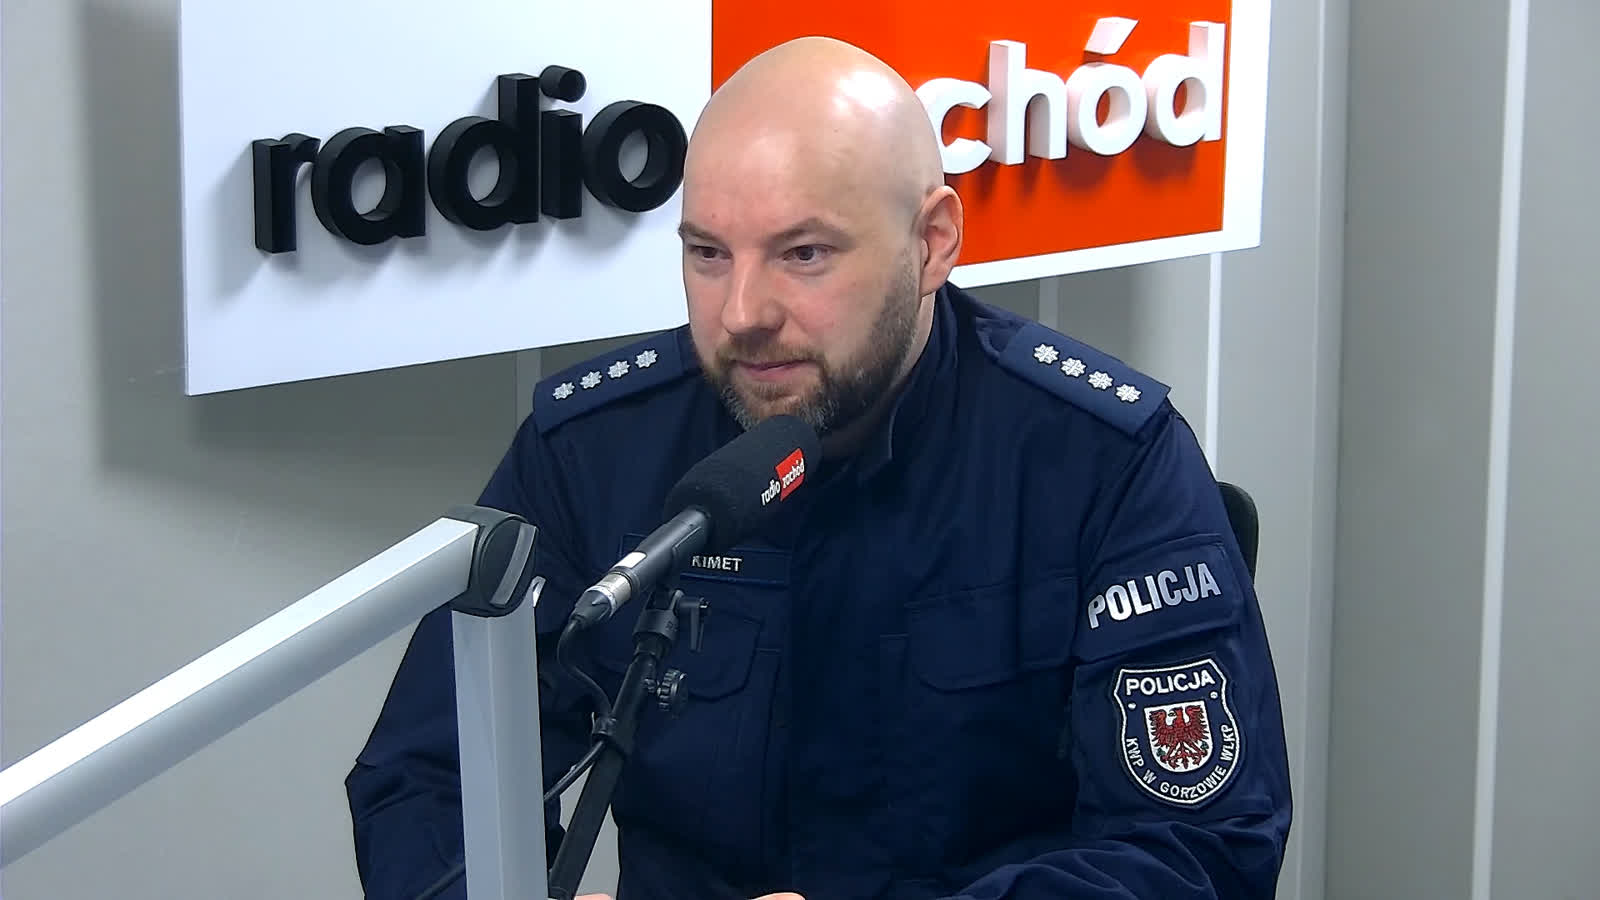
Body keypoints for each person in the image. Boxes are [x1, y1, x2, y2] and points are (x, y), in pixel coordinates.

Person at [345, 35, 1293, 900]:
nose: (742, 313)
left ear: (932, 243)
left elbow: (1197, 850)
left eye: (803, 254)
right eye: (707, 254)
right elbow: (427, 777)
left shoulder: (1101, 459)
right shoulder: (592, 449)